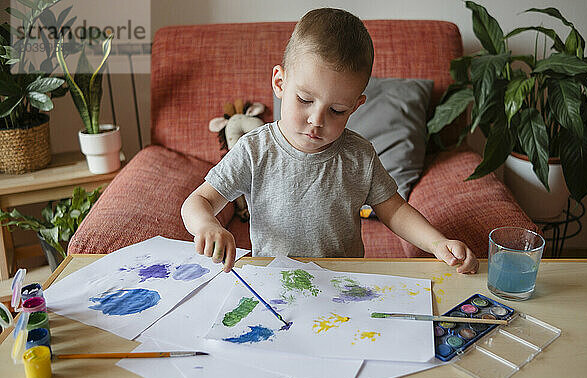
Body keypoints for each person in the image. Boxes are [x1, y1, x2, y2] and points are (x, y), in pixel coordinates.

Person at [181, 8, 479, 274]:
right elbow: (197, 202)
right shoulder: (254, 150)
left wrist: (437, 243)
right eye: (305, 100)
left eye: (337, 110)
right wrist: (207, 225)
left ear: (356, 106)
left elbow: (396, 210)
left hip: (343, 286)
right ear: (280, 83)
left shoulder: (359, 155)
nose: (317, 120)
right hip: (274, 283)